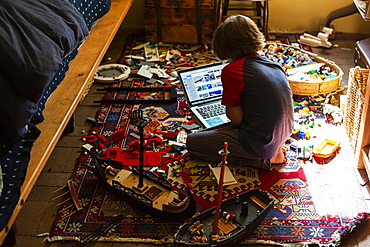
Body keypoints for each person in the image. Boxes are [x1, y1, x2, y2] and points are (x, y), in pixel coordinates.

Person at [186, 15, 294, 170]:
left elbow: (236, 119)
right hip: (283, 133)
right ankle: (269, 152)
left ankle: (263, 161)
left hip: (261, 143)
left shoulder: (232, 70)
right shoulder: (273, 65)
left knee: (193, 143)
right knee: (213, 131)